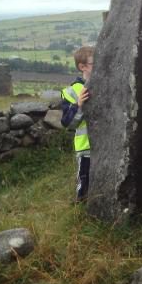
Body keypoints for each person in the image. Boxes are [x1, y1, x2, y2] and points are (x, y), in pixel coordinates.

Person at [60, 45, 95, 202]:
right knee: (84, 183)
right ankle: (79, 212)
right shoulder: (72, 91)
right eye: (94, 63)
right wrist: (79, 105)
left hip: (103, 145)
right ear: (82, 66)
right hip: (85, 147)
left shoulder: (103, 84)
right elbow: (67, 123)